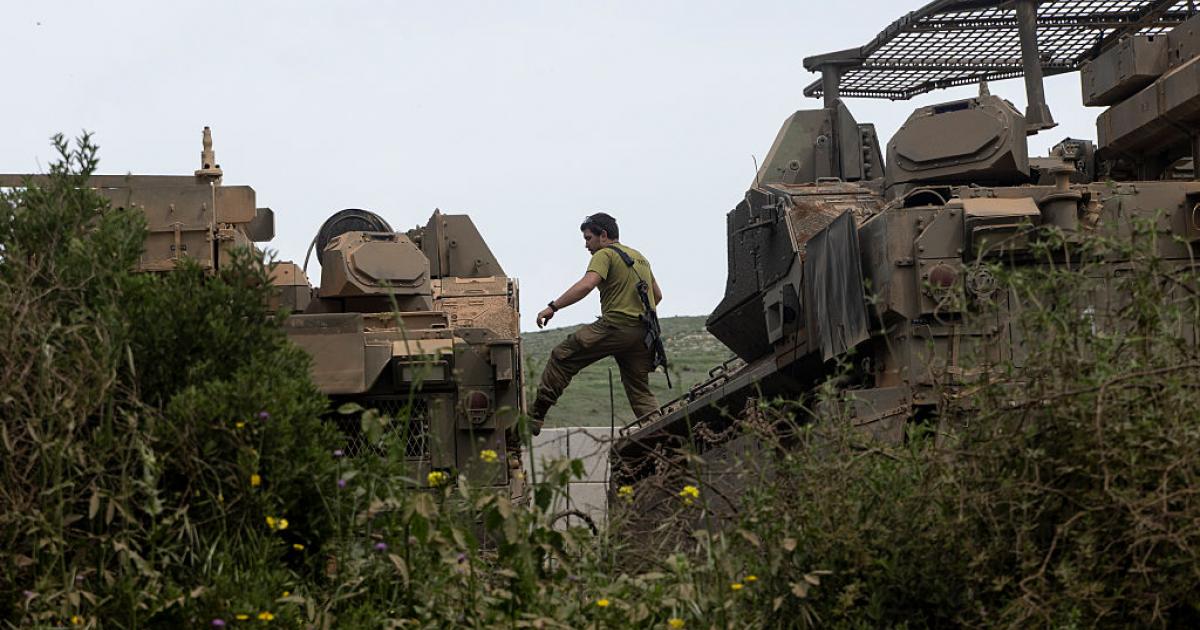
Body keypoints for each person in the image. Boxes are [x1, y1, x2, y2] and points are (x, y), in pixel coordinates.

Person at [530, 213, 663, 435]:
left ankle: (535, 418)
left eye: (588, 238)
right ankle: (661, 434)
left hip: (615, 326)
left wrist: (553, 307)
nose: (586, 245)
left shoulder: (605, 254)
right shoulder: (640, 257)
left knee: (562, 356)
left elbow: (586, 285)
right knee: (640, 392)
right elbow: (657, 296)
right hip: (643, 334)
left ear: (603, 235)